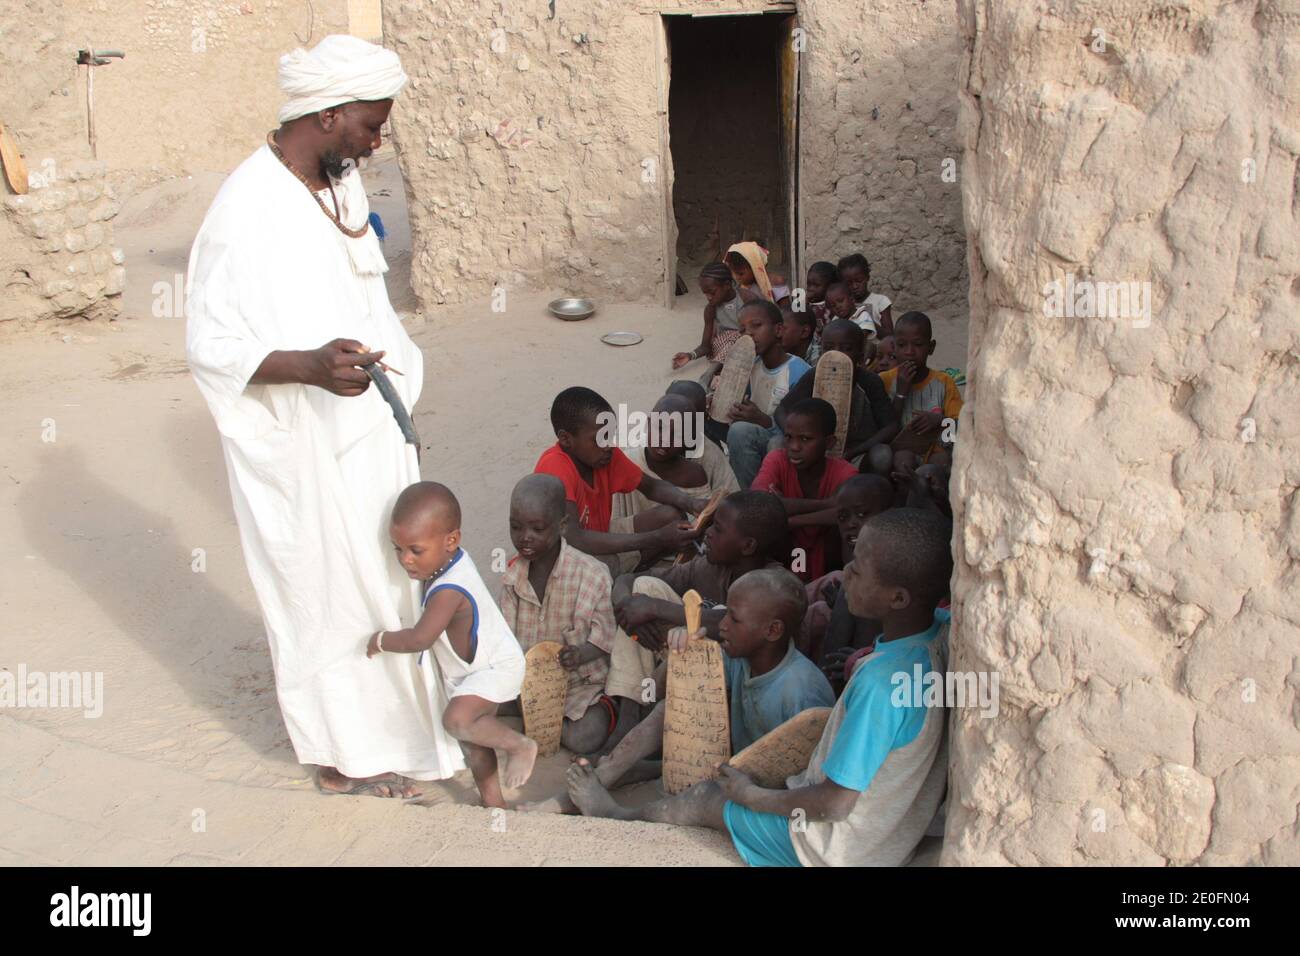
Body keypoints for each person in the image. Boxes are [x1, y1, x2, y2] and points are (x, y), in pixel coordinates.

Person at [186, 34, 465, 798]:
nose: (377, 143)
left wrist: (398, 406)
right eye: (370, 126)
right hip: (302, 446)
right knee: (322, 590)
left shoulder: (339, 188)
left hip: (370, 433)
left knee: (386, 580)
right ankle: (346, 752)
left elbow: (364, 303)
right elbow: (211, 345)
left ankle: (400, 736)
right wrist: (307, 367)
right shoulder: (246, 207)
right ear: (329, 111)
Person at [564, 507, 954, 868]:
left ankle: (619, 815)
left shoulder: (878, 685)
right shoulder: (935, 636)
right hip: (882, 842)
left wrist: (754, 798)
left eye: (859, 569)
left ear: (898, 597)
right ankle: (625, 771)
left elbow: (834, 802)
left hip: (830, 848)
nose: (845, 571)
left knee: (707, 799)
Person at [529, 565, 833, 813]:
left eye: (734, 619)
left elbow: (807, 780)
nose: (722, 625)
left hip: (763, 794)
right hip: (731, 766)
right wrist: (686, 655)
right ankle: (607, 775)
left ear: (773, 630)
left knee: (701, 797)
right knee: (666, 712)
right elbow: (666, 695)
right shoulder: (738, 656)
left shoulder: (801, 690)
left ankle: (617, 811)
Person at [367, 482, 533, 808]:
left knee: (457, 720)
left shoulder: (449, 588)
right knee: (474, 740)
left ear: (451, 540)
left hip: (495, 668)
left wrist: (380, 641)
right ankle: (494, 803)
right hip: (473, 671)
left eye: (415, 550)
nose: (405, 560)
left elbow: (420, 639)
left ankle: (519, 745)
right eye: (398, 549)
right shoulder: (448, 562)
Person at [498, 474, 620, 755]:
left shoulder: (592, 574)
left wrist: (579, 654)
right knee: (474, 700)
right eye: (516, 527)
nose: (524, 537)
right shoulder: (512, 575)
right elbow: (505, 637)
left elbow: (607, 638)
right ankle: (536, 719)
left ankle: (546, 724)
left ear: (562, 525)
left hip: (581, 687)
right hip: (529, 685)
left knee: (584, 738)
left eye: (537, 529)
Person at [535, 386, 706, 573]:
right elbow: (575, 539)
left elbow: (652, 487)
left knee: (670, 516)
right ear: (566, 439)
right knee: (606, 562)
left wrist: (692, 503)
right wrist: (657, 537)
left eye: (610, 434)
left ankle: (632, 572)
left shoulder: (605, 456)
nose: (609, 444)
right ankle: (622, 581)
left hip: (598, 535)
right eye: (600, 438)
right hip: (563, 561)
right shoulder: (555, 467)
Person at [611, 393, 739, 552]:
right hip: (629, 547)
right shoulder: (628, 460)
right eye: (659, 428)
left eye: (676, 434)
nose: (664, 440)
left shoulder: (695, 473)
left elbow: (699, 529)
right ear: (648, 423)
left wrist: (695, 507)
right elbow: (613, 523)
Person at [773, 319, 898, 476]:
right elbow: (781, 410)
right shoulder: (814, 376)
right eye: (829, 348)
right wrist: (799, 440)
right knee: (776, 443)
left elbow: (891, 426)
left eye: (846, 349)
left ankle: (866, 495)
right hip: (811, 451)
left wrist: (854, 452)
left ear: (860, 357)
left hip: (856, 455)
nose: (837, 355)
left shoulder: (869, 381)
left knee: (882, 455)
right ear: (822, 353)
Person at [752, 398, 859, 582]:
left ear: (829, 442)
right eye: (788, 437)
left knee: (844, 531)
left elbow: (846, 514)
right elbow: (759, 504)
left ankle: (837, 587)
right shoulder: (777, 459)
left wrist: (789, 519)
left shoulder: (845, 472)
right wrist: (826, 505)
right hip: (790, 552)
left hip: (829, 556)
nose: (794, 447)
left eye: (805, 439)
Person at [709, 300, 812, 489]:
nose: (749, 334)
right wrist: (720, 401)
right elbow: (738, 403)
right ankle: (724, 482)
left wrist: (764, 420)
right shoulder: (749, 364)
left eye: (756, 326)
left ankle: (756, 498)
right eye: (742, 330)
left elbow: (805, 432)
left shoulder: (800, 372)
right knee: (697, 411)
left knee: (749, 433)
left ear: (779, 330)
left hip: (782, 442)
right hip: (751, 437)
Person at [878, 311, 963, 482]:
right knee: (903, 460)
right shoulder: (885, 381)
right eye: (902, 345)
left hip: (937, 453)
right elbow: (884, 428)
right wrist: (901, 393)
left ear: (930, 348)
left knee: (938, 464)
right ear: (894, 347)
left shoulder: (944, 383)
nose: (909, 352)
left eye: (918, 345)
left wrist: (940, 421)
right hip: (900, 453)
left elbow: (959, 430)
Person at [672, 262, 744, 375]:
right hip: (723, 348)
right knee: (732, 338)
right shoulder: (710, 309)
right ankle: (716, 370)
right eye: (705, 293)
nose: (708, 297)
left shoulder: (746, 298)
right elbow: (706, 346)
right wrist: (689, 355)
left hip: (746, 346)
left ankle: (711, 373)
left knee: (739, 336)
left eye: (712, 292)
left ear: (727, 285)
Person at [837, 253, 893, 337]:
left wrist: (867, 320)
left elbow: (890, 335)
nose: (855, 286)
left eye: (859, 281)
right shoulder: (843, 304)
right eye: (849, 283)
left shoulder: (881, 301)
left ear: (867, 277)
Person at [803, 260, 840, 341]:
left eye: (816, 285)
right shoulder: (807, 304)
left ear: (830, 286)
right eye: (808, 284)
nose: (810, 289)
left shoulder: (832, 306)